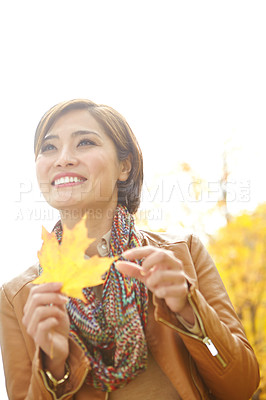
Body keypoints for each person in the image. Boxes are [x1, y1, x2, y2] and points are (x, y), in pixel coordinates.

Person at [0, 99, 260, 400]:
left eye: (84, 142)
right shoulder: (17, 297)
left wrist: (191, 310)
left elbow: (241, 386)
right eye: (49, 147)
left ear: (124, 166)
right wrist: (53, 367)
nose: (63, 159)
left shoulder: (182, 256)